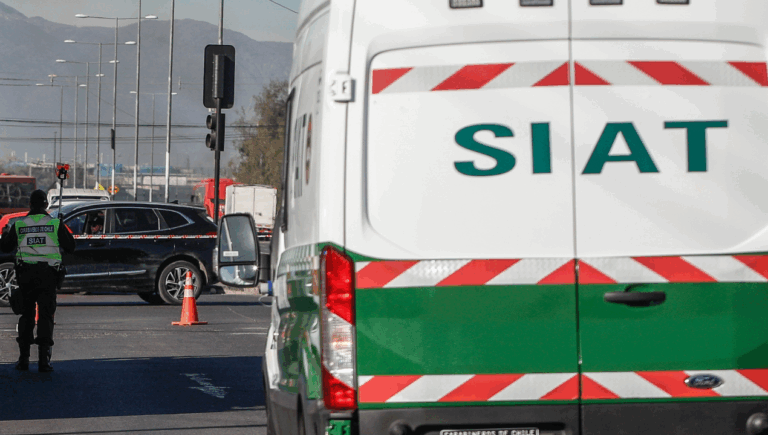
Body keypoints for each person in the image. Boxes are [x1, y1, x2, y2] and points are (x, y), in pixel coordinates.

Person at [1, 189, 75, 372]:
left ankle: (23, 360)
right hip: (48, 276)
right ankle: (44, 360)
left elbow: (6, 247)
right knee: (45, 316)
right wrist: (62, 227)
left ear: (30, 205)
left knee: (26, 316)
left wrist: (4, 233)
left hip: (26, 275)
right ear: (45, 205)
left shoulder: (19, 225)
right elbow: (71, 247)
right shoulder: (55, 223)